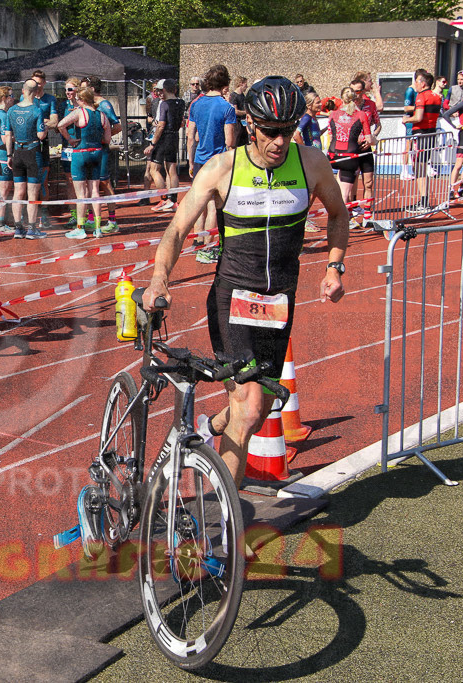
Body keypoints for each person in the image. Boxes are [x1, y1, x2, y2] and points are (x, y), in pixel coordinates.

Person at [143, 75, 349, 487]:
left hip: (279, 301)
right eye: (271, 131)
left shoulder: (311, 163)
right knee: (251, 405)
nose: (279, 141)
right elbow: (177, 229)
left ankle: (210, 425)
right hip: (232, 299)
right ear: (251, 125)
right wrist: (159, 279)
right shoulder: (223, 167)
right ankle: (222, 529)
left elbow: (339, 215)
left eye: (288, 131)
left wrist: (334, 266)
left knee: (269, 396)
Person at [186, 64, 237, 263]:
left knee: (200, 203)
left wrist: (190, 161)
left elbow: (190, 136)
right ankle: (207, 245)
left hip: (199, 159)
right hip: (217, 162)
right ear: (224, 85)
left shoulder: (196, 104)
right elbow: (229, 141)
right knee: (214, 204)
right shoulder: (226, 107)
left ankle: (198, 240)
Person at [58, 86, 111, 239]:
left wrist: (69, 139)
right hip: (96, 153)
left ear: (81, 100)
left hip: (80, 153)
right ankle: (98, 228)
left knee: (81, 193)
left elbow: (60, 125)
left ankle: (80, 228)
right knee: (94, 190)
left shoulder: (79, 112)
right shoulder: (102, 115)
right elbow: (107, 139)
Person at [4, 79, 48, 239]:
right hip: (33, 152)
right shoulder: (37, 110)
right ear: (36, 92)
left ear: (23, 90)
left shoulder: (12, 110)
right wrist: (47, 127)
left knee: (18, 191)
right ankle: (31, 228)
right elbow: (41, 135)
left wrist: (9, 155)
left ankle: (18, 228)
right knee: (32, 192)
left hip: (17, 153)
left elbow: (8, 135)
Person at [82, 77, 122, 234]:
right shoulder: (89, 106)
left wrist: (103, 137)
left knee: (104, 184)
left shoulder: (104, 105)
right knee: (90, 184)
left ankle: (112, 221)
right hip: (90, 151)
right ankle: (92, 218)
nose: (81, 93)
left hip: (102, 151)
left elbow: (117, 126)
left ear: (91, 89)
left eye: (83, 89)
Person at [143, 78, 184, 213]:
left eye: (160, 90)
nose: (159, 93)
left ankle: (164, 199)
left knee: (154, 169)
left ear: (165, 90)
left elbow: (161, 125)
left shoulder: (164, 104)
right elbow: (181, 122)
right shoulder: (181, 102)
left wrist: (153, 144)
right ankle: (173, 200)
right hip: (174, 136)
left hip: (164, 137)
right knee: (171, 169)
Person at [403, 71, 441, 213]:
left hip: (421, 135)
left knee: (419, 170)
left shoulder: (421, 96)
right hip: (431, 134)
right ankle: (423, 200)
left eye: (417, 82)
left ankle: (423, 202)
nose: (415, 85)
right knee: (422, 168)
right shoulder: (437, 97)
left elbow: (418, 117)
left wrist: (407, 119)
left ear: (423, 83)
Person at [328, 86, 374, 205]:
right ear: (354, 99)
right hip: (349, 155)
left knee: (337, 188)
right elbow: (368, 139)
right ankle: (342, 220)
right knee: (344, 194)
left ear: (341, 99)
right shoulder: (361, 114)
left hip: (333, 154)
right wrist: (375, 140)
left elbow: (331, 135)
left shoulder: (333, 114)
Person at [32, 70, 59, 230]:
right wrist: (44, 121)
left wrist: (40, 123)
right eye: (34, 83)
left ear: (44, 83)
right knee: (29, 182)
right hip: (28, 145)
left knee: (43, 181)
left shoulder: (50, 99)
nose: (37, 86)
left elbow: (55, 122)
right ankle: (30, 216)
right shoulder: (25, 98)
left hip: (43, 145)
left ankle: (44, 215)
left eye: (39, 83)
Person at [349, 77, 381, 213]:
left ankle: (367, 212)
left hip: (366, 148)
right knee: (351, 182)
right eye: (352, 91)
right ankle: (352, 208)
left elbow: (378, 124)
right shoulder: (347, 106)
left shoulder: (371, 105)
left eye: (357, 91)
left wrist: (372, 138)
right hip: (351, 148)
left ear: (363, 91)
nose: (354, 94)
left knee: (368, 182)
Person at [0, 85, 15, 235]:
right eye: (11, 96)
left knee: (1, 191)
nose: (13, 99)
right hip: (2, 154)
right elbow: (6, 139)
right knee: (3, 191)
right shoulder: (3, 115)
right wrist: (16, 139)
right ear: (4, 98)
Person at [59, 77, 82, 223]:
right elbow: (58, 125)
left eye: (70, 89)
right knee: (69, 180)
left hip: (81, 146)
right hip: (68, 147)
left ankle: (86, 215)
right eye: (66, 89)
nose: (67, 93)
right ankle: (74, 214)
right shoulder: (63, 106)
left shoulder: (84, 105)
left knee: (83, 181)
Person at [229, 76, 249, 146]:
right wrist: (246, 112)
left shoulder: (243, 95)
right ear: (241, 83)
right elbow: (235, 111)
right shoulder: (234, 96)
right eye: (246, 84)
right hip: (237, 124)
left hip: (244, 123)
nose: (247, 86)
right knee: (236, 143)